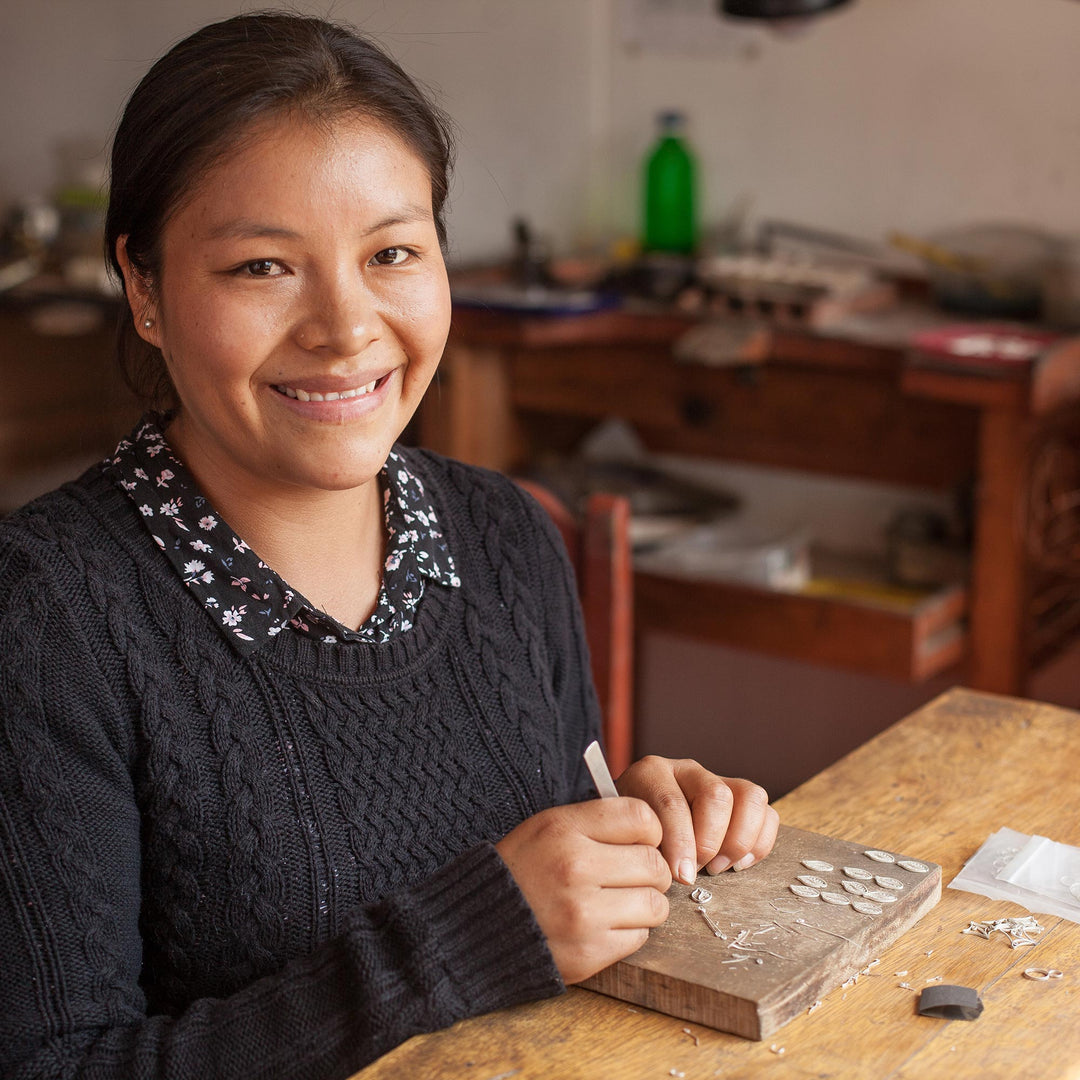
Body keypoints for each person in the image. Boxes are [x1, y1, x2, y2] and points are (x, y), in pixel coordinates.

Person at [0, 12, 779, 1079]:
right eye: (264, 267)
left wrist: (639, 833)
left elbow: (548, 881)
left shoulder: (503, 535)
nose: (346, 326)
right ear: (143, 287)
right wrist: (463, 941)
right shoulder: (48, 618)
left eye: (392, 253)